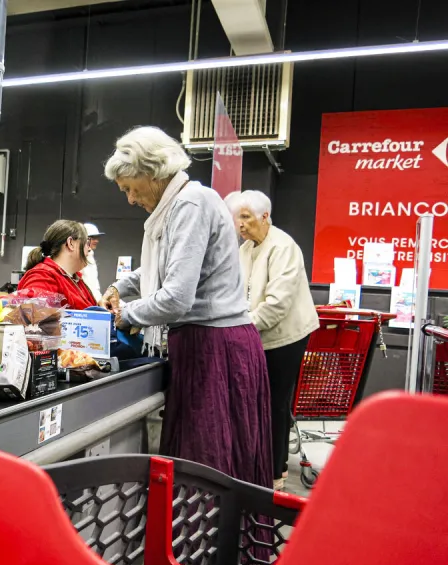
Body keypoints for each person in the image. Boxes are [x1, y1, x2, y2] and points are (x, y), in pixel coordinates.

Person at [99, 126, 272, 488]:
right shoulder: (180, 204)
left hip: (214, 348)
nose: (130, 199)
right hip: (208, 344)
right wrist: (120, 285)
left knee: (206, 461)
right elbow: (167, 264)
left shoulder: (189, 204)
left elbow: (177, 296)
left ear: (152, 172)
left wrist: (126, 315)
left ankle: (206, 543)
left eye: (131, 188)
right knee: (209, 455)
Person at [225, 190, 320, 490]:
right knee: (254, 403)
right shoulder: (245, 249)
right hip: (257, 334)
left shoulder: (283, 247)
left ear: (265, 216)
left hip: (285, 337)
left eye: (246, 217)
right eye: (237, 218)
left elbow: (277, 304)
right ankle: (255, 465)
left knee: (275, 404)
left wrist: (241, 329)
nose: (239, 225)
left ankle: (274, 474)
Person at [18, 220, 97, 310]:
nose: (89, 248)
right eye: (86, 242)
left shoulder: (74, 279)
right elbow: (33, 317)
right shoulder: (43, 277)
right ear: (70, 243)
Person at [81, 223, 104, 302]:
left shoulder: (90, 256)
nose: (96, 240)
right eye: (92, 238)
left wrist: (99, 300)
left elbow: (93, 284)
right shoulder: (78, 258)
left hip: (91, 300)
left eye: (97, 238)